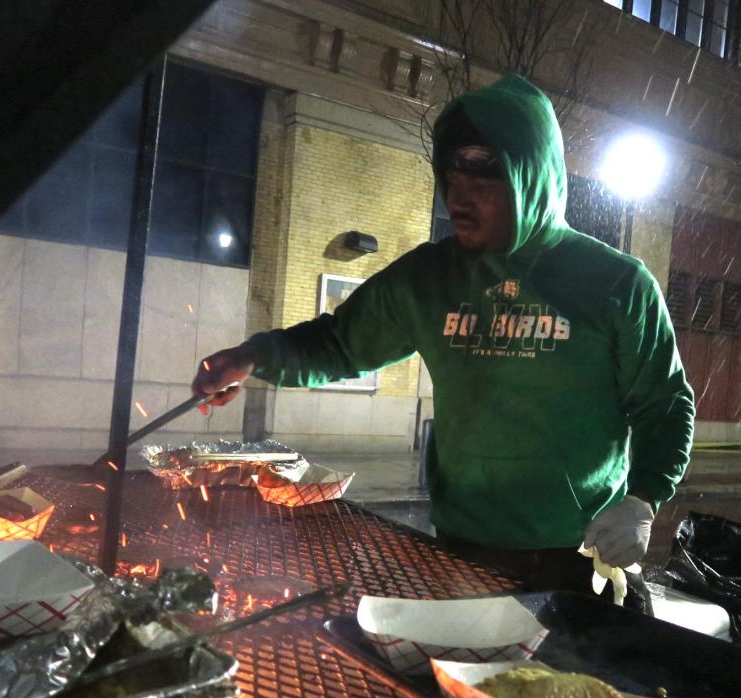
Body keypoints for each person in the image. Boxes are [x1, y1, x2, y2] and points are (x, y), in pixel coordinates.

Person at [191, 74, 695, 613]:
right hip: (460, 552)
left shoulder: (616, 284)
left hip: (576, 556)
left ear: (532, 179)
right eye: (450, 180)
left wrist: (643, 498)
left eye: (482, 182)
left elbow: (664, 405)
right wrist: (252, 357)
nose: (458, 198)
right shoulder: (430, 278)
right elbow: (339, 344)